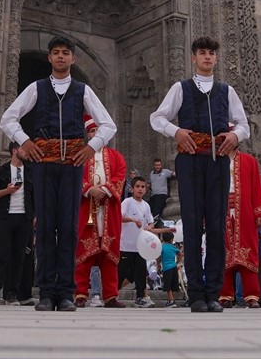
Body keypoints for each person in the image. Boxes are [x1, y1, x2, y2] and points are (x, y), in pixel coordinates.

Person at [0, 35, 117, 312]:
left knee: (67, 228)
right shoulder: (37, 88)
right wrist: (25, 142)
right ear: (50, 57)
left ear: (73, 58)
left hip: (72, 165)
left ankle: (65, 292)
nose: (61, 57)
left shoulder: (82, 91)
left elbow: (107, 125)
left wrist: (91, 148)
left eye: (66, 52)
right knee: (45, 226)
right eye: (56, 53)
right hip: (43, 164)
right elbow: (8, 118)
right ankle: (45, 293)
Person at [151, 36, 250, 313]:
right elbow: (157, 118)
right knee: (192, 226)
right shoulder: (180, 88)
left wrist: (234, 134)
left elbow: (244, 124)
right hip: (190, 159)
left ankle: (213, 293)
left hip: (218, 160)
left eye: (211, 53)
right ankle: (195, 293)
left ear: (216, 58)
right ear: (193, 58)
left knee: (217, 226)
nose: (207, 57)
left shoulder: (226, 91)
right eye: (202, 53)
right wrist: (176, 131)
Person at [74, 116, 127, 308]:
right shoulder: (81, 155)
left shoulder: (116, 156)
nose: (95, 134)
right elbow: (75, 177)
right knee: (84, 252)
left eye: (99, 131)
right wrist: (89, 189)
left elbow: (120, 176)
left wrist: (104, 191)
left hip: (108, 209)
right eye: (92, 131)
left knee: (109, 254)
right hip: (86, 208)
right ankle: (80, 293)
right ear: (88, 135)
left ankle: (111, 295)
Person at [216, 139, 261, 308]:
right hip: (222, 208)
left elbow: (257, 188)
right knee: (223, 251)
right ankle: (225, 295)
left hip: (244, 210)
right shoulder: (215, 160)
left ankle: (252, 295)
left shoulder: (249, 161)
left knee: (248, 250)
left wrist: (260, 212)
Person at [0, 142, 32, 304]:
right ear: (14, 151)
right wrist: (7, 191)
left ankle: (12, 293)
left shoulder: (30, 171)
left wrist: (35, 217)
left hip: (24, 218)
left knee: (19, 257)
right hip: (6, 218)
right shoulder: (2, 171)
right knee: (3, 255)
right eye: (23, 149)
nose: (26, 153)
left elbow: (36, 195)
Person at [119, 176, 159, 307]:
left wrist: (149, 227)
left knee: (141, 273)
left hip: (141, 247)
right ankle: (111, 294)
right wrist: (132, 220)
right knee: (121, 271)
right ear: (132, 189)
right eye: (137, 186)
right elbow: (119, 217)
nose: (140, 189)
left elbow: (151, 221)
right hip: (126, 245)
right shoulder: (127, 202)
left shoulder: (146, 205)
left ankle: (140, 297)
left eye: (143, 187)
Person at [159, 231, 181, 307]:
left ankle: (172, 301)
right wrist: (177, 262)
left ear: (163, 239)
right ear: (172, 239)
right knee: (173, 285)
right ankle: (170, 300)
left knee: (167, 286)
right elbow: (180, 254)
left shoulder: (162, 247)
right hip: (174, 267)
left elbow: (158, 257)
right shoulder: (173, 247)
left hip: (166, 268)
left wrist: (158, 263)